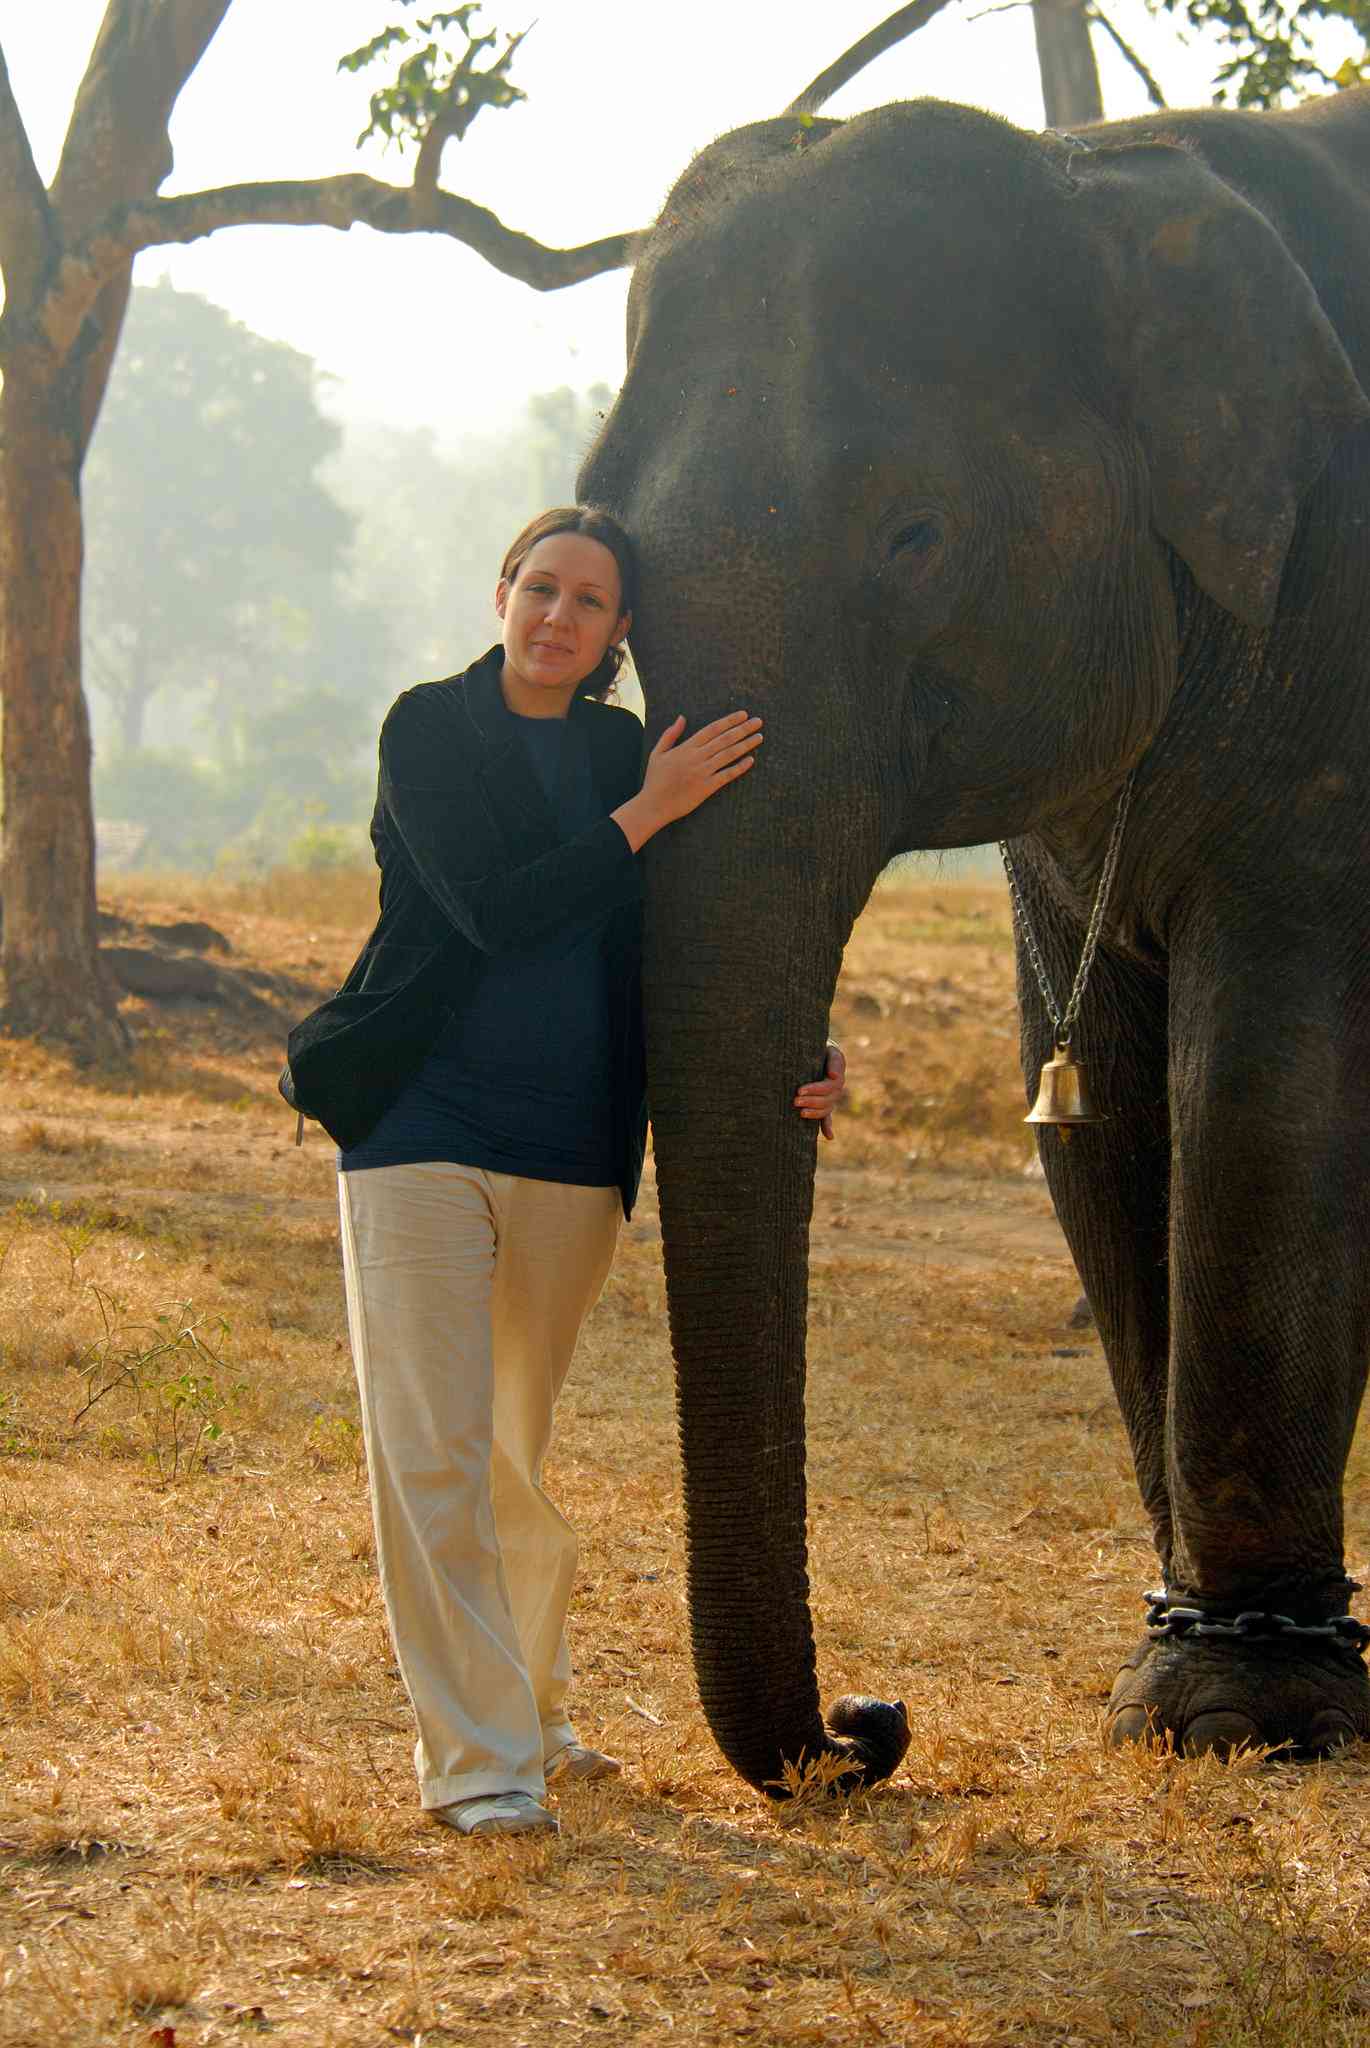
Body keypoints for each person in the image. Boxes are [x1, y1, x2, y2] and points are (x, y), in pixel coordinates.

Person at [281, 507, 846, 1838]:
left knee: (510, 1459)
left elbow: (692, 940)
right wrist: (648, 810)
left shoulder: (616, 747)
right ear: (500, 594)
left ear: (619, 632)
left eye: (589, 601)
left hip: (571, 1150)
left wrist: (797, 1051)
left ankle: (531, 1705)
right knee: (431, 1455)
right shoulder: (430, 728)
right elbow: (492, 906)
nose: (557, 616)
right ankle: (482, 1770)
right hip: (415, 1130)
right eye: (539, 587)